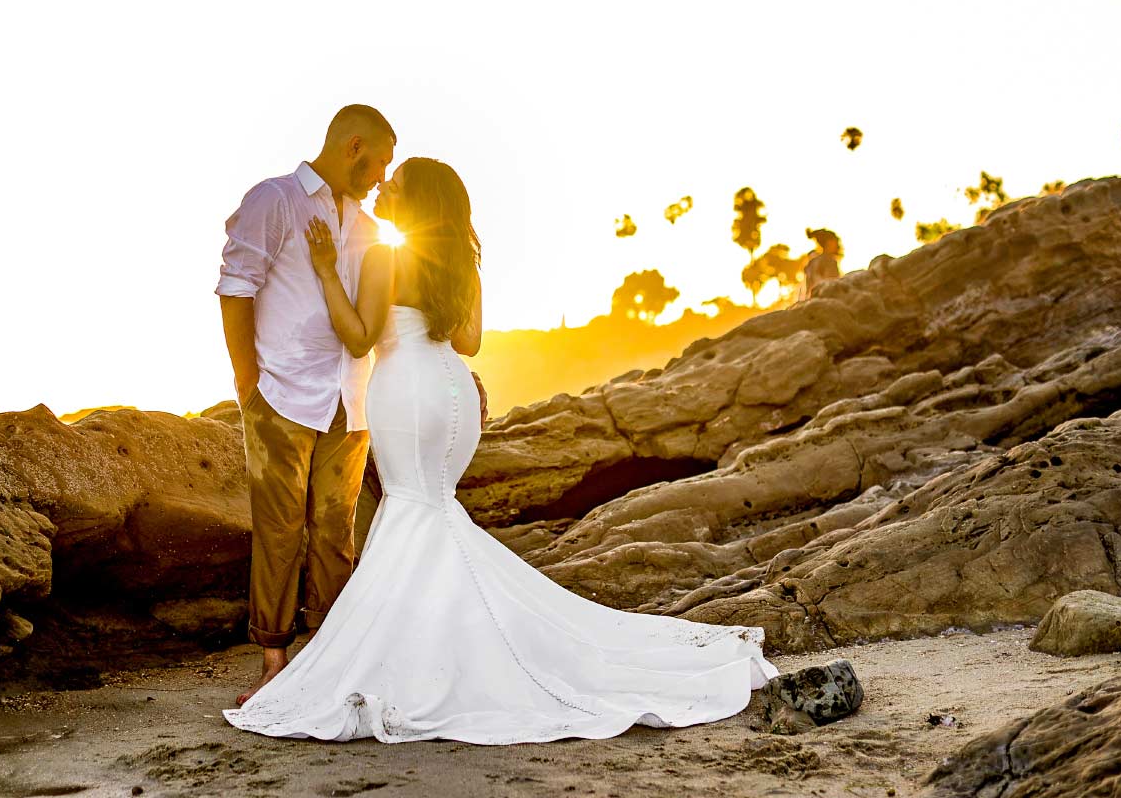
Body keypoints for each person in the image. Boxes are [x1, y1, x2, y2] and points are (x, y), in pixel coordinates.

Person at [224, 157, 779, 744]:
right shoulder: (460, 262)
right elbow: (469, 340)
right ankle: (449, 637)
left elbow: (359, 337)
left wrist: (325, 272)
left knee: (415, 509)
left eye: (398, 181)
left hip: (407, 391)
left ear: (416, 202)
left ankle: (428, 651)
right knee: (433, 510)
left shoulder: (387, 256)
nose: (386, 185)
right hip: (452, 391)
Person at [215, 105, 483, 707]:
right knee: (279, 529)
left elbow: (367, 325)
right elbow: (236, 286)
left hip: (354, 398)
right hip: (282, 393)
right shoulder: (276, 199)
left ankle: (338, 659)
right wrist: (246, 382)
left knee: (337, 532)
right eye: (382, 161)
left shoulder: (370, 228)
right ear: (354, 146)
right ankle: (274, 658)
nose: (383, 176)